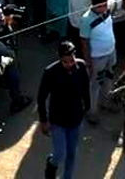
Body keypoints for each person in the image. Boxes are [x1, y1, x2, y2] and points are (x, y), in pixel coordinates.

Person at [36, 41, 91, 179]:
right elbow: (41, 97)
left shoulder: (82, 66)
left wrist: (87, 108)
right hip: (58, 120)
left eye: (71, 60)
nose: (69, 64)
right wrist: (43, 120)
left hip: (75, 119)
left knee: (72, 154)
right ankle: (51, 163)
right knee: (60, 154)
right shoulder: (50, 72)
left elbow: (85, 88)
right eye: (65, 62)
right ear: (60, 58)